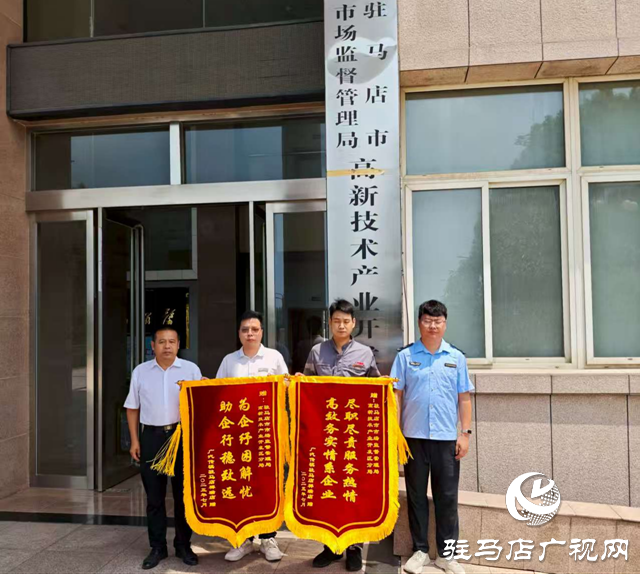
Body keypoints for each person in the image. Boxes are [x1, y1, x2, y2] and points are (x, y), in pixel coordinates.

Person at [391, 300, 473, 574]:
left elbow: (464, 398)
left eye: (438, 321)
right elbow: (397, 396)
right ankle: (420, 551)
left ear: (445, 324)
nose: (433, 326)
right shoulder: (405, 357)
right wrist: (395, 434)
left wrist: (465, 434)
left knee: (447, 497)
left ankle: (447, 555)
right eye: (427, 321)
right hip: (413, 438)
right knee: (415, 495)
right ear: (419, 323)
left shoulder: (456, 357)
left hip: (446, 439)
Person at [303, 298, 380, 572]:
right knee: (327, 490)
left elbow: (376, 391)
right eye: (336, 321)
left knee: (352, 490)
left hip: (352, 437)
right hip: (324, 436)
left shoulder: (365, 354)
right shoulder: (316, 352)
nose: (341, 326)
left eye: (346, 321)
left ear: (354, 323)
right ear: (330, 322)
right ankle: (331, 547)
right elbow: (306, 389)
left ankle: (354, 547)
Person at [125, 325, 202, 570]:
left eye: (171, 341)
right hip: (152, 437)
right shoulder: (141, 371)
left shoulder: (191, 370)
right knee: (154, 497)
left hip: (182, 437)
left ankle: (183, 545)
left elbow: (202, 404)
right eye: (161, 341)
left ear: (178, 345)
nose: (166, 346)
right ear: (153, 345)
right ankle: (157, 547)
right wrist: (135, 440)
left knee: (183, 496)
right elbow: (132, 408)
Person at [217, 310, 288, 563]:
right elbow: (217, 392)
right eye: (245, 329)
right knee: (240, 485)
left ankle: (268, 538)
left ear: (261, 333)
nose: (250, 333)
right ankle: (244, 540)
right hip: (237, 436)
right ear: (239, 334)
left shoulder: (274, 357)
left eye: (254, 329)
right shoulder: (229, 361)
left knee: (266, 485)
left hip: (267, 433)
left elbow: (286, 387)